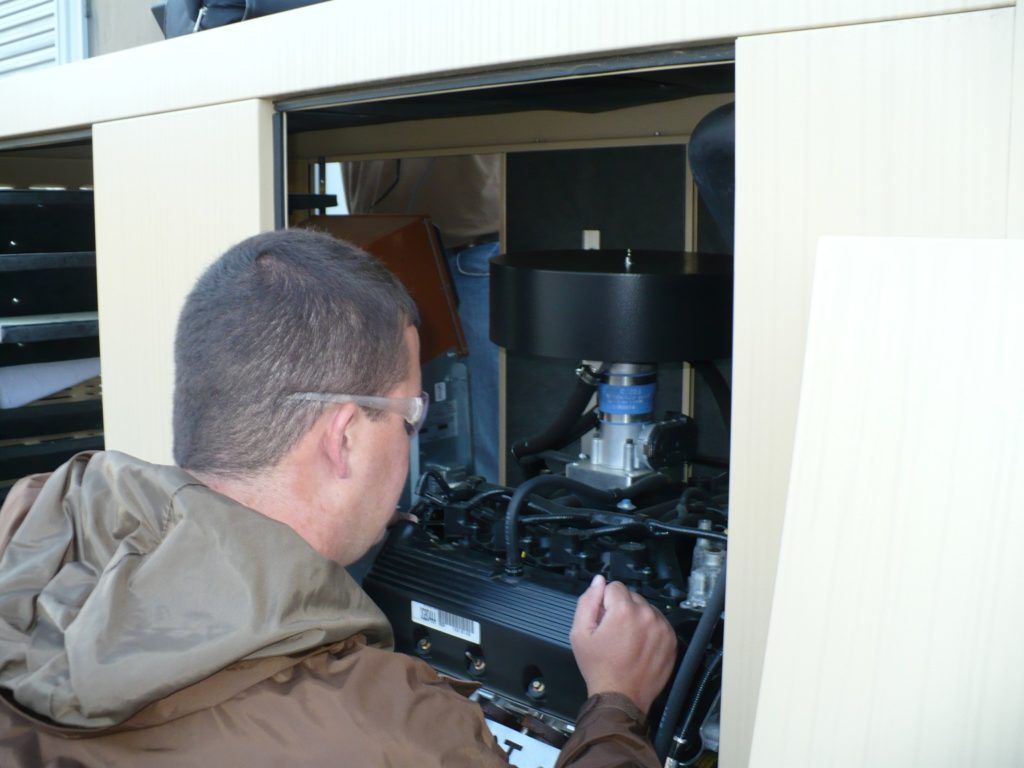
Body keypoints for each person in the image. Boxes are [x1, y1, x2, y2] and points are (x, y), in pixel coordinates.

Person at [0, 229, 676, 766]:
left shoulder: (30, 532)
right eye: (411, 418)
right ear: (345, 437)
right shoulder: (396, 738)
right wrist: (617, 704)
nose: (414, 444)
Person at [344, 155, 501, 482]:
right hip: (381, 247)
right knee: (389, 395)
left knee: (481, 407)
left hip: (466, 247)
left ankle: (491, 516)